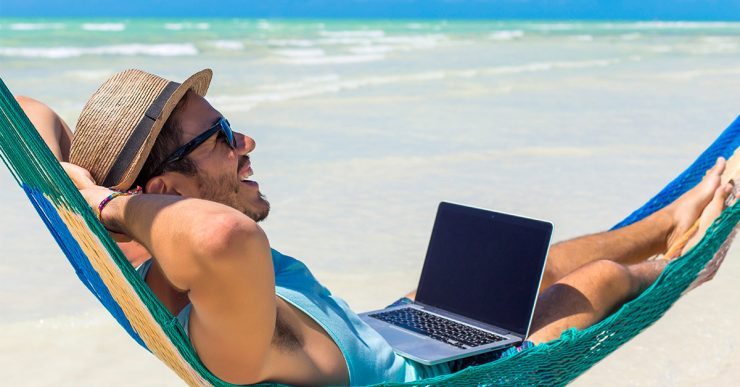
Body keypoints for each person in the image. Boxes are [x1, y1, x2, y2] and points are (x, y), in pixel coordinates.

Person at [16, 69, 735, 386]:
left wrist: (79, 188)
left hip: (388, 331)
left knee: (518, 265)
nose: (247, 144)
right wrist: (109, 208)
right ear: (167, 189)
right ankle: (684, 256)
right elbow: (221, 239)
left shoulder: (151, 246)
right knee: (602, 282)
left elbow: (29, 110)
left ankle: (668, 216)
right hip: (450, 380)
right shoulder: (226, 326)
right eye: (222, 135)